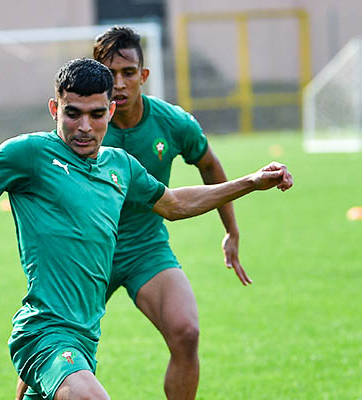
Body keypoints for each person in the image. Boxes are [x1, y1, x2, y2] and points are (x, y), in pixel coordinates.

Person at [0, 58, 292, 400]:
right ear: (54, 108)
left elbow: (174, 204)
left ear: (111, 108)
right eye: (72, 113)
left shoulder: (121, 166)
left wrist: (251, 182)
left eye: (96, 115)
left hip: (84, 336)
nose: (84, 127)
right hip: (43, 332)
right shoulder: (28, 154)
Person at [15, 26, 252, 400]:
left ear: (144, 74)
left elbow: (208, 165)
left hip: (145, 248)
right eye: (110, 74)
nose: (121, 84)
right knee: (50, 345)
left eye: (129, 73)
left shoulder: (172, 123)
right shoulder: (83, 124)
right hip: (87, 255)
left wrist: (231, 229)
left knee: (186, 332)